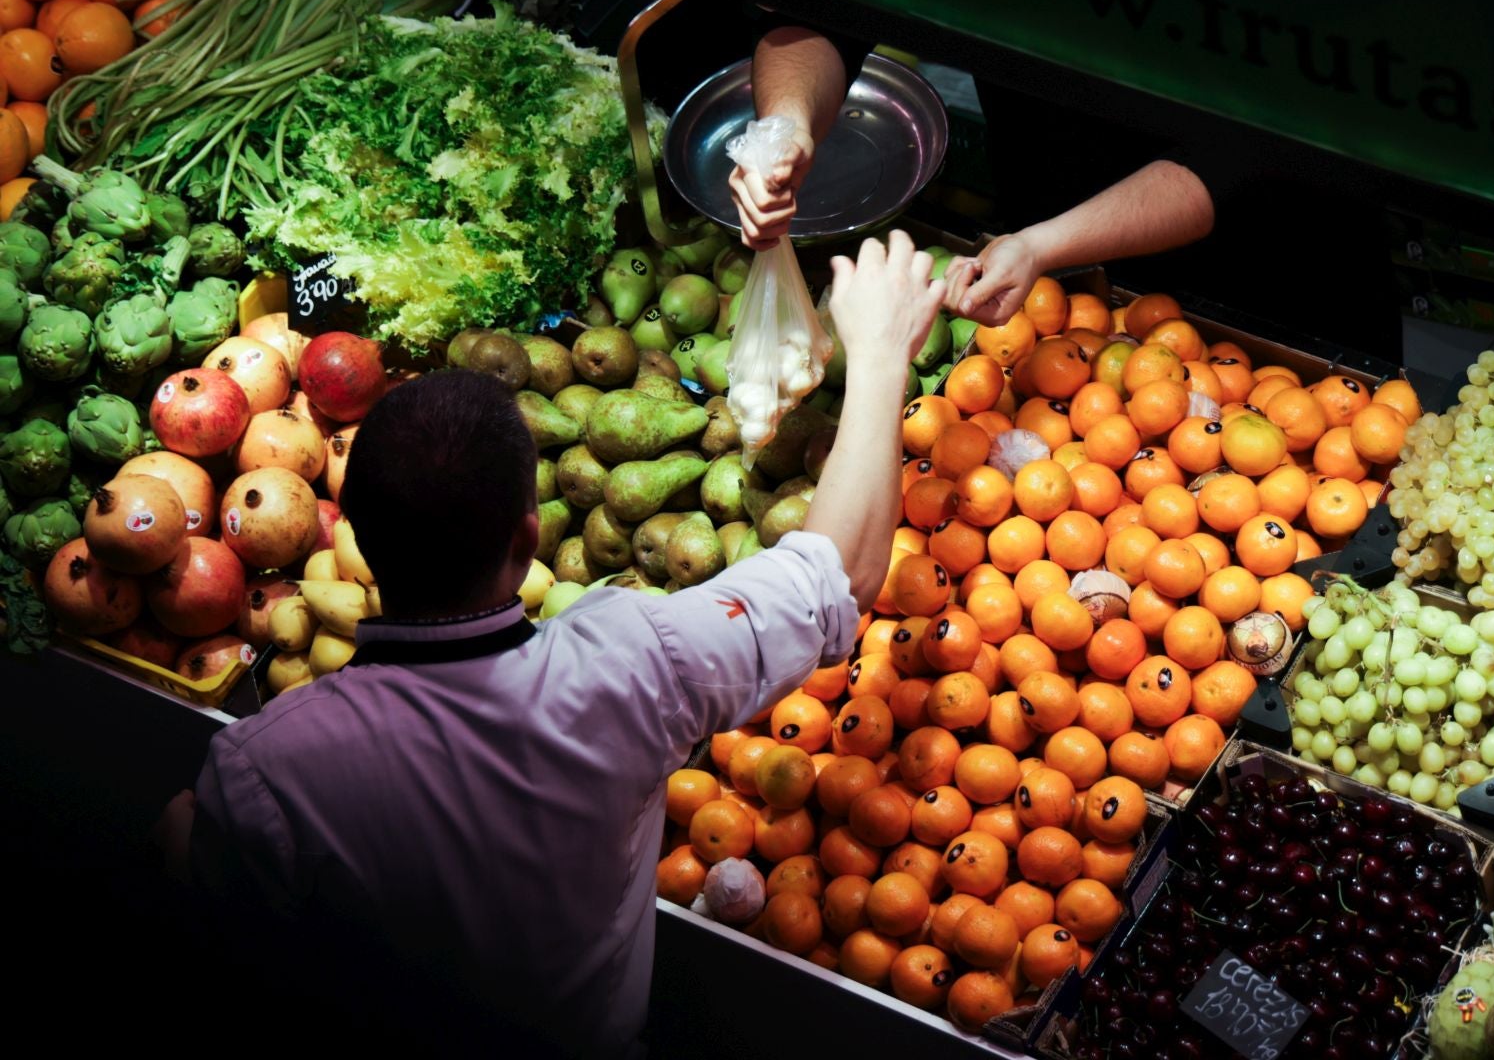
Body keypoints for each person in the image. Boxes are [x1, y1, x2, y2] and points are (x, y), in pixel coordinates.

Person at [161, 233, 944, 1056]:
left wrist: (201, 833)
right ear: (529, 536)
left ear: (354, 538)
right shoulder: (628, 664)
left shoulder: (267, 766)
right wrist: (884, 354)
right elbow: (840, 579)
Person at [729, 27, 1216, 318]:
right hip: (1031, 221)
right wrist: (784, 127)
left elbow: (1227, 163)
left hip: (1205, 270)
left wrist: (1040, 246)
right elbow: (819, 16)